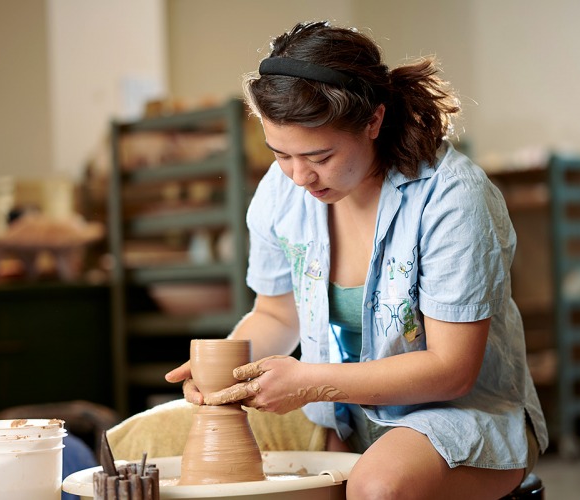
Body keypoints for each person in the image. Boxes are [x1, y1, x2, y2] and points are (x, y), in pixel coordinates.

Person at [166, 20, 548, 499]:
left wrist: (312, 384)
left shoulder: (453, 198)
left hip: (464, 416)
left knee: (376, 486)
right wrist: (220, 374)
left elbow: (452, 369)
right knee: (161, 439)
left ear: (373, 121)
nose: (300, 176)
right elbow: (275, 313)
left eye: (320, 156)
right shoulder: (279, 191)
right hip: (347, 420)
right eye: (281, 154)